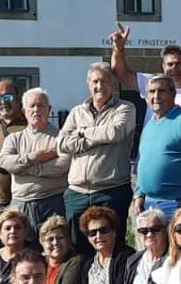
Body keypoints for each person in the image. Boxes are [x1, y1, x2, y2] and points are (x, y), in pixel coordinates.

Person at [58, 63, 137, 253]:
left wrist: (82, 132)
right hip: (77, 193)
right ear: (88, 84)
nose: (99, 86)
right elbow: (61, 144)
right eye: (95, 81)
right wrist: (93, 140)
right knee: (78, 250)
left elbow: (114, 133)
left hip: (111, 190)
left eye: (104, 81)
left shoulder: (125, 108)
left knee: (112, 248)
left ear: (113, 83)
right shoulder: (77, 112)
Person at [0, 88, 70, 232]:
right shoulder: (14, 139)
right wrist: (35, 157)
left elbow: (64, 164)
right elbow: (3, 162)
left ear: (49, 110)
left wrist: (23, 168)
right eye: (32, 106)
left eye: (40, 105)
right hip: (20, 205)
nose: (36, 109)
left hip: (52, 202)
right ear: (24, 111)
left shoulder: (61, 138)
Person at [132, 74, 181, 222]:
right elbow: (143, 163)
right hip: (148, 205)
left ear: (173, 93)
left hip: (177, 204)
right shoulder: (149, 125)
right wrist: (139, 196)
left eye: (161, 91)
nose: (156, 96)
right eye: (151, 92)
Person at [109, 25, 181, 122]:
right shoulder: (152, 82)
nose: (174, 68)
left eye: (179, 64)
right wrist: (118, 49)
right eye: (170, 64)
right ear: (163, 66)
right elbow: (121, 73)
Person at [0, 80, 27, 217]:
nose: (2, 102)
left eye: (7, 97)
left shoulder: (28, 125)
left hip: (20, 200)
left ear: (18, 97)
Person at [40, 216, 86, 284]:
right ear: (42, 243)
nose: (55, 242)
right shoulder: (39, 262)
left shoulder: (76, 261)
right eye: (50, 239)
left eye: (60, 237)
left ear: (68, 240)